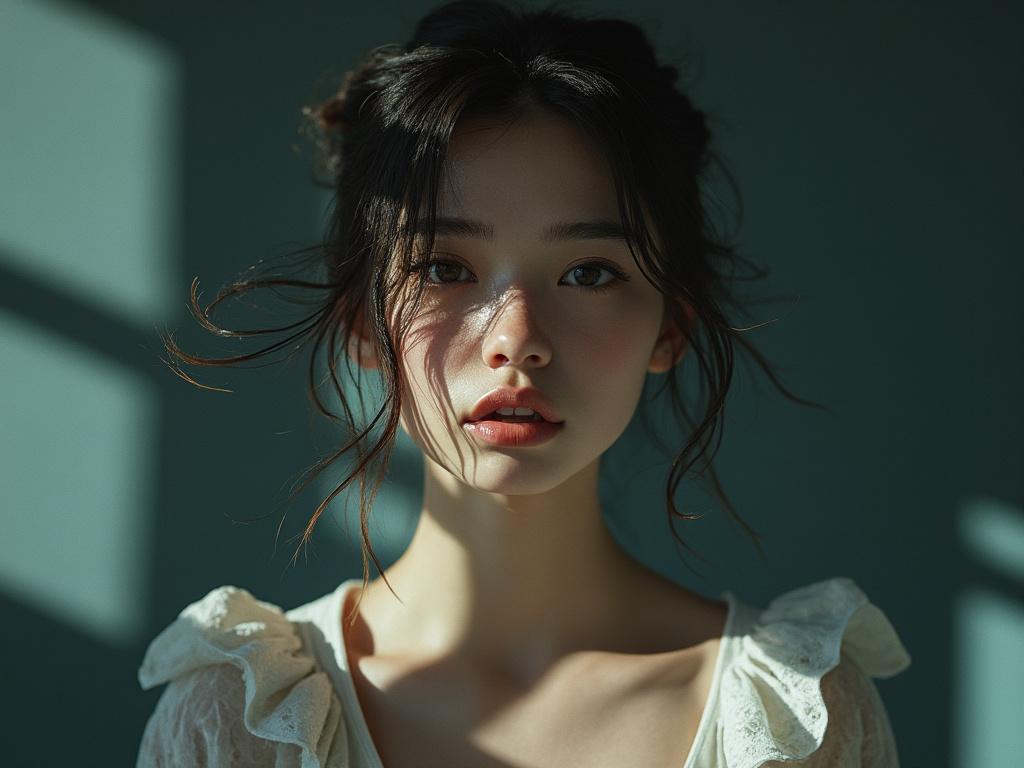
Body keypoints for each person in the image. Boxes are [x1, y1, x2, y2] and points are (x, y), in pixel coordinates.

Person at [135, 0, 912, 765]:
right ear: (363, 324)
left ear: (670, 325)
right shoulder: (243, 719)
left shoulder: (796, 720)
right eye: (444, 268)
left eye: (588, 272)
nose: (517, 341)